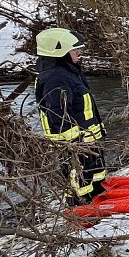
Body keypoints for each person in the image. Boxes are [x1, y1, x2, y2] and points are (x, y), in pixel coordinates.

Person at [35, 27, 107, 204]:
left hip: (86, 139)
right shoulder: (55, 77)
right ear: (60, 52)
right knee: (78, 181)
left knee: (94, 176)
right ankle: (80, 208)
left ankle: (99, 199)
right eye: (74, 50)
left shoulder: (69, 71)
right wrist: (75, 142)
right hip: (75, 143)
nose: (79, 53)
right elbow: (58, 113)